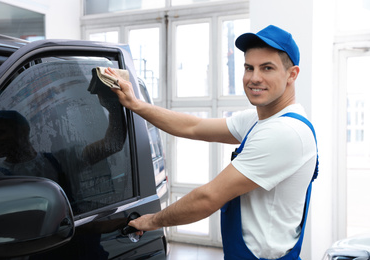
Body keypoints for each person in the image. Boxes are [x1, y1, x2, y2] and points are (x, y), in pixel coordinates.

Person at [105, 24, 318, 259]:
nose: (254, 78)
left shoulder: (285, 132)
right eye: (249, 67)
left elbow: (208, 198)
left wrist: (151, 220)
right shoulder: (262, 120)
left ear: (292, 74)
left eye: (267, 68)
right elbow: (193, 126)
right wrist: (136, 105)